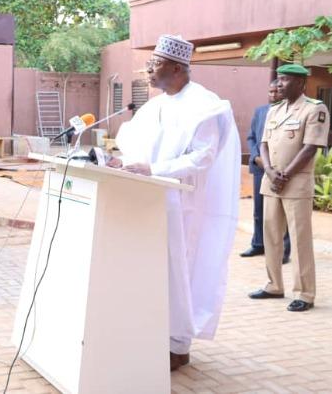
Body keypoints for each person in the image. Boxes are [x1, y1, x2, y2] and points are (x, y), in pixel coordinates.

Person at [107, 35, 241, 371]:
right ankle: (154, 337)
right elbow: (134, 145)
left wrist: (154, 169)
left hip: (183, 205)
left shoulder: (206, 105)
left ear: (178, 68)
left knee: (180, 272)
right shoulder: (155, 106)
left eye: (156, 63)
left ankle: (178, 346)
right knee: (151, 271)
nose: (149, 69)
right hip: (148, 201)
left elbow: (202, 157)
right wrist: (124, 162)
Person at [248, 64, 330, 312]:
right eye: (279, 79)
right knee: (271, 236)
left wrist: (286, 175)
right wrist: (270, 171)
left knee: (299, 239)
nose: (279, 84)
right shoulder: (274, 109)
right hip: (271, 182)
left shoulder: (314, 109)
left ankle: (305, 293)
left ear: (300, 83)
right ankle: (274, 285)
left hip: (295, 184)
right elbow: (263, 143)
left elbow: (310, 147)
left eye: (285, 79)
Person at [241, 80, 291, 263]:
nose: (273, 95)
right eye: (270, 92)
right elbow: (252, 137)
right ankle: (258, 244)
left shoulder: (291, 112)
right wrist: (256, 158)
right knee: (259, 209)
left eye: (276, 91)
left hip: (281, 169)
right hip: (260, 168)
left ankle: (284, 250)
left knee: (282, 210)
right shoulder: (260, 111)